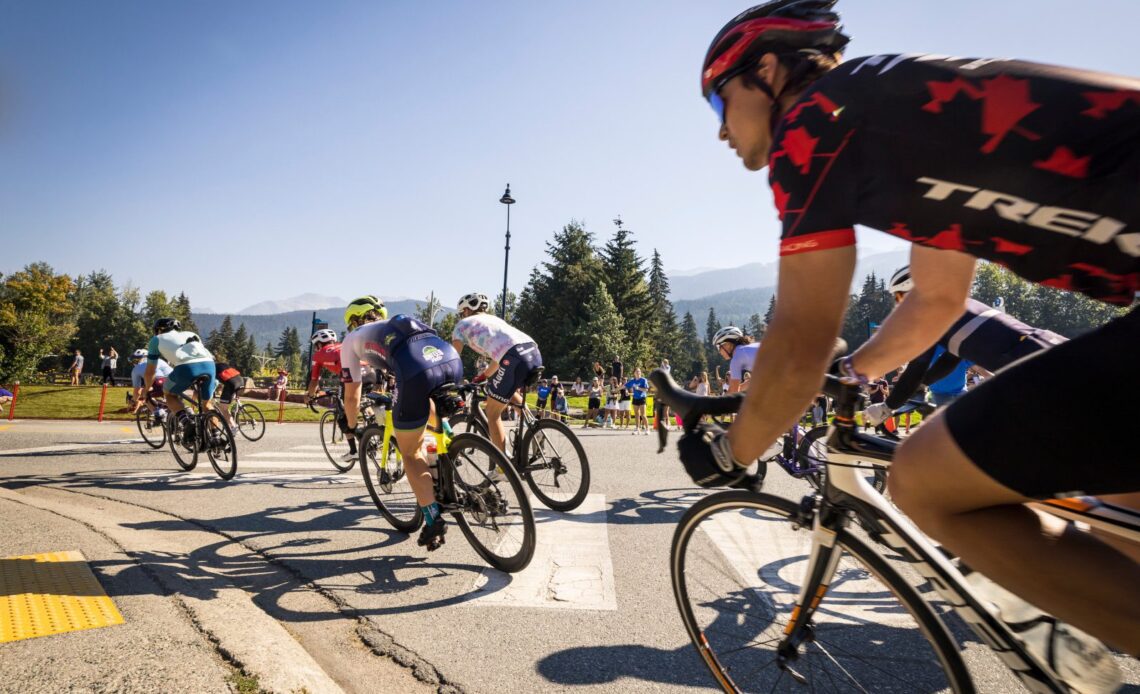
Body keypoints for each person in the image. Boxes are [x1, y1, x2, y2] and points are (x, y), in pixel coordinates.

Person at [679, 1, 1139, 674]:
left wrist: (732, 449)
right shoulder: (901, 112)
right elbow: (935, 300)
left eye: (719, 101)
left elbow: (804, 335)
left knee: (922, 481)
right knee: (1120, 516)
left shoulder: (816, 121)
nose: (720, 130)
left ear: (768, 71)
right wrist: (853, 374)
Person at [866, 266, 1068, 426]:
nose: (900, 306)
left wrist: (887, 407)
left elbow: (917, 366)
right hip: (1045, 352)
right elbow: (950, 359)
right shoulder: (956, 305)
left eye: (900, 297)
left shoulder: (935, 315)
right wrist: (923, 384)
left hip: (1033, 367)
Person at [339, 296, 462, 551]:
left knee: (409, 452)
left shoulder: (351, 340)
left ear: (354, 321)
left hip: (414, 366)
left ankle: (432, 520)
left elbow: (352, 395)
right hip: (449, 357)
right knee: (427, 401)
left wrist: (350, 426)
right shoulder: (397, 325)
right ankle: (448, 441)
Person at [449, 292, 543, 455]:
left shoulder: (462, 325)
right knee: (507, 391)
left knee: (492, 413)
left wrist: (449, 379)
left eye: (461, 313)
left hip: (514, 357)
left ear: (466, 310)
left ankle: (502, 466)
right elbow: (499, 357)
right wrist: (484, 376)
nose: (461, 316)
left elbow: (453, 358)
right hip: (533, 351)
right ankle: (535, 428)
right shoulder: (495, 321)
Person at [143, 318, 216, 441]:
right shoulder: (192, 334)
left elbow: (150, 371)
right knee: (207, 405)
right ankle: (216, 437)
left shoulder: (156, 340)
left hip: (186, 367)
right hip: (209, 365)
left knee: (169, 394)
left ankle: (187, 422)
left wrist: (147, 388)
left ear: (158, 330)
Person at [306, 328, 357, 462]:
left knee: (342, 416)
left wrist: (309, 396)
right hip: (370, 372)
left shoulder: (318, 355)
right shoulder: (344, 345)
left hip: (350, 375)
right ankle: (376, 429)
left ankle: (354, 451)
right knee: (366, 402)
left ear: (318, 344)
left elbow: (314, 380)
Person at [712, 326, 759, 393]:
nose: (719, 351)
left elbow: (733, 391)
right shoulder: (748, 349)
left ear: (727, 344)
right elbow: (754, 379)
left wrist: (715, 403)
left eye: (718, 347)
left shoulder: (736, 358)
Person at [129, 348, 172, 414]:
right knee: (173, 399)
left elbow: (137, 391)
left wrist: (133, 401)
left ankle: (158, 413)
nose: (136, 361)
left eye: (138, 359)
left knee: (144, 394)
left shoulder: (136, 368)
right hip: (175, 380)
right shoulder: (160, 360)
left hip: (158, 381)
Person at [213, 361, 247, 426]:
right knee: (228, 400)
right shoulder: (223, 364)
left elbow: (215, 384)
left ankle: (233, 426)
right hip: (241, 380)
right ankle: (236, 409)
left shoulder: (213, 368)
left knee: (223, 408)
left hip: (231, 384)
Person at [625, 367, 651, 435]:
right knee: (636, 414)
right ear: (634, 373)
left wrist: (638, 388)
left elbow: (646, 390)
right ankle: (637, 429)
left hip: (642, 398)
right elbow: (624, 386)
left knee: (643, 415)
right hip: (635, 398)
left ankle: (647, 429)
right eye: (637, 371)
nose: (638, 372)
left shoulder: (643, 380)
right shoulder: (632, 381)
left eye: (639, 371)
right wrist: (616, 390)